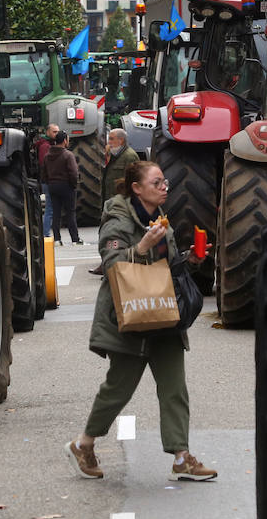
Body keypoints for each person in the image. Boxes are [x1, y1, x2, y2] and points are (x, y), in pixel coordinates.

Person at [66, 160, 217, 482]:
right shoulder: (117, 221)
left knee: (175, 390)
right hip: (130, 319)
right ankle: (84, 443)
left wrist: (190, 261)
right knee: (117, 391)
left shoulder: (160, 220)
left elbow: (165, 271)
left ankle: (181, 458)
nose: (165, 187)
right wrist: (142, 247)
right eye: (157, 183)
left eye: (165, 182)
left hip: (163, 317)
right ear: (136, 188)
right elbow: (112, 266)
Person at [90, 129, 139, 275]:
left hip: (122, 203)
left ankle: (111, 265)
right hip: (110, 201)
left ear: (121, 140)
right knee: (105, 233)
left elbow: (133, 180)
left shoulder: (129, 156)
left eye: (111, 139)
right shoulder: (115, 155)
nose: (109, 143)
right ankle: (105, 263)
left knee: (115, 235)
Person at [43, 130, 82, 245]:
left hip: (52, 186)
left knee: (56, 213)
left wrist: (49, 182)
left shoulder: (47, 156)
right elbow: (73, 173)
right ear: (65, 141)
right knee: (70, 212)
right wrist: (74, 185)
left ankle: (57, 239)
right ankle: (75, 239)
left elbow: (44, 173)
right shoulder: (68, 155)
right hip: (66, 186)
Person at [36, 123, 60, 235]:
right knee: (50, 209)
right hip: (49, 181)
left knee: (51, 208)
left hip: (49, 181)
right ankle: (46, 233)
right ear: (47, 132)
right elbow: (44, 163)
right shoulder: (45, 146)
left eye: (57, 132)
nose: (57, 134)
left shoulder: (49, 144)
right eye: (54, 132)